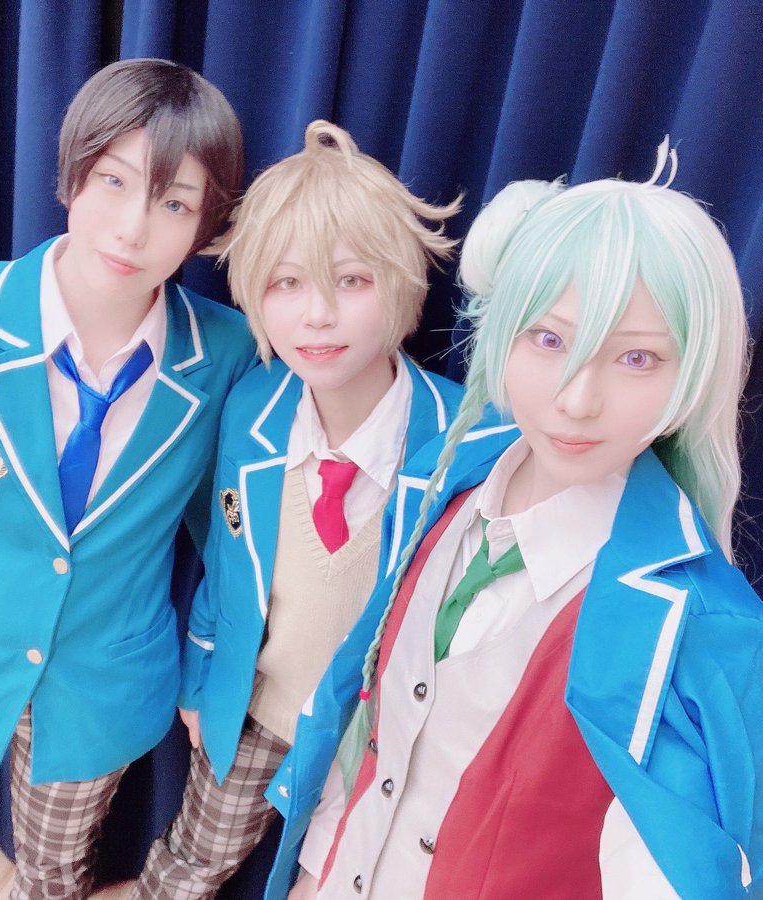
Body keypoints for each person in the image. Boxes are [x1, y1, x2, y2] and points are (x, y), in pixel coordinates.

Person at [291, 144, 763, 898]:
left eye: (636, 359)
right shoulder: (442, 476)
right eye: (549, 339)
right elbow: (373, 716)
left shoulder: (702, 634)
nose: (576, 400)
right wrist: (317, 870)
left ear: (694, 376)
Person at [0, 58, 256, 899]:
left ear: (206, 224)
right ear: (72, 175)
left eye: (174, 203)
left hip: (101, 677)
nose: (133, 228)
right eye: (113, 181)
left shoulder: (227, 354)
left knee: (56, 877)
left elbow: (221, 533)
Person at [132, 120, 464, 899]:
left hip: (376, 734)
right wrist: (201, 678)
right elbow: (224, 557)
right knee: (195, 858)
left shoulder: (464, 440)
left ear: (402, 286)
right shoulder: (251, 406)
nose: (317, 315)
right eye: (286, 284)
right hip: (254, 711)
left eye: (351, 281)